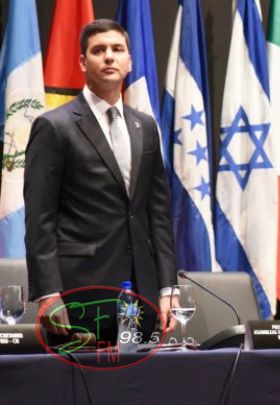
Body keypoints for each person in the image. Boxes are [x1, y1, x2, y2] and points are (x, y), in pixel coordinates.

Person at [24, 19, 176, 345]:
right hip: (79, 293)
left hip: (141, 294)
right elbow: (39, 219)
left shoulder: (145, 126)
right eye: (99, 50)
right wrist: (47, 293)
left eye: (117, 49)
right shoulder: (54, 127)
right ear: (82, 62)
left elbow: (158, 215)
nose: (109, 56)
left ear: (129, 62)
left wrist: (167, 287)